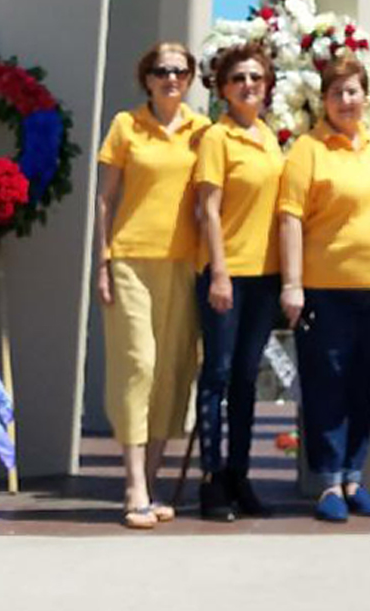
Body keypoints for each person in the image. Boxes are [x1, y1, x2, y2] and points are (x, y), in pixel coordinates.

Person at [278, 53, 370, 523]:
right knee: (325, 384)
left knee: (365, 385)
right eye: (336, 93)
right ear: (324, 101)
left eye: (352, 91)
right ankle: (329, 482)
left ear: (366, 97)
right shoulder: (307, 150)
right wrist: (292, 285)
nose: (345, 100)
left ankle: (355, 476)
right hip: (325, 288)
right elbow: (290, 218)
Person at [94, 41, 207, 530]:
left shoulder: (203, 132)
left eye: (180, 71)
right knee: (137, 364)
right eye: (161, 70)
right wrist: (101, 260)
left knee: (171, 373)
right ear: (147, 78)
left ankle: (153, 480)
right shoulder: (126, 126)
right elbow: (104, 200)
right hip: (131, 259)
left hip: (184, 263)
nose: (171, 78)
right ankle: (133, 484)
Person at [193, 41, 285, 523]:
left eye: (255, 78)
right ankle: (211, 480)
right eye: (238, 79)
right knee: (218, 375)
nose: (248, 86)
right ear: (223, 90)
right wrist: (220, 272)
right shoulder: (217, 138)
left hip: (265, 277)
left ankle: (240, 475)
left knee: (248, 380)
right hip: (227, 274)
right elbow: (208, 207)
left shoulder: (269, 138)